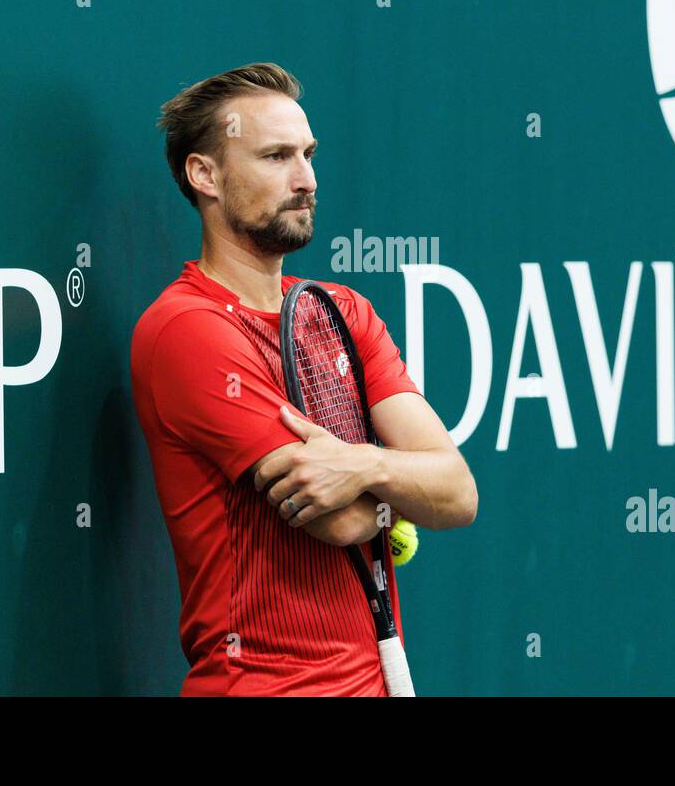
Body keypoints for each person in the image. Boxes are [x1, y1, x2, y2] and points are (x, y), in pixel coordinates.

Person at [130, 62, 477, 695]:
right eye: (276, 156)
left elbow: (456, 491)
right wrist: (396, 479)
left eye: (309, 155)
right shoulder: (185, 329)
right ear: (204, 175)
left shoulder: (344, 313)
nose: (306, 179)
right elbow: (339, 521)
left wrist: (362, 467)